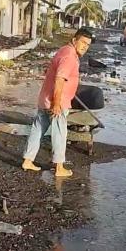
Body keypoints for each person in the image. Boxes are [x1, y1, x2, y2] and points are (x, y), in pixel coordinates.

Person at [21, 28, 93, 177]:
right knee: (60, 133)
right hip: (57, 101)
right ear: (74, 40)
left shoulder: (64, 50)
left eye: (88, 44)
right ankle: (59, 167)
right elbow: (59, 79)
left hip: (46, 99)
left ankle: (28, 160)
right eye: (83, 42)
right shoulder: (69, 56)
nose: (85, 46)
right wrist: (57, 103)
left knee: (38, 129)